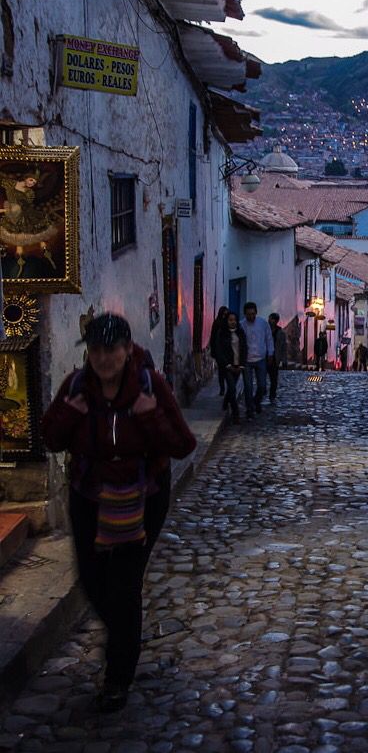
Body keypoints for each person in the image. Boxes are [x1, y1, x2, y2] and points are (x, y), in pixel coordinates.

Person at [40, 313, 196, 712]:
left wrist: (148, 415)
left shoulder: (150, 386)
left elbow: (182, 444)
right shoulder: (76, 387)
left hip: (143, 498)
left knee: (124, 586)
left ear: (128, 350)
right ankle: (127, 636)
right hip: (89, 497)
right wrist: (70, 413)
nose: (104, 359)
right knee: (93, 582)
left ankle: (117, 677)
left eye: (112, 349)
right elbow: (50, 438)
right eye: (96, 350)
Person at [240, 302, 274, 418]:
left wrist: (270, 353)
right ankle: (250, 410)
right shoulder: (241, 325)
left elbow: (269, 339)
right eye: (248, 314)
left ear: (256, 313)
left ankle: (256, 401)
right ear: (245, 314)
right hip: (247, 360)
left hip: (261, 359)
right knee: (248, 386)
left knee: (262, 386)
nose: (251, 316)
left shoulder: (263, 324)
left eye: (253, 314)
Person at [213, 311, 247, 422]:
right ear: (226, 321)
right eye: (230, 320)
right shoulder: (221, 334)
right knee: (232, 388)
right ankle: (236, 414)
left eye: (234, 320)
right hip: (227, 366)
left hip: (238, 365)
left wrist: (242, 365)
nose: (233, 322)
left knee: (231, 389)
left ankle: (225, 402)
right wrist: (227, 364)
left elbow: (244, 349)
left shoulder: (241, 333)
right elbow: (219, 350)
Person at [209, 305, 229, 396]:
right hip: (219, 351)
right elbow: (213, 337)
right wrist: (213, 350)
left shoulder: (229, 323)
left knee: (226, 371)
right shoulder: (217, 323)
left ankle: (227, 388)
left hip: (228, 352)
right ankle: (222, 388)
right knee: (221, 371)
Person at [267, 313, 288, 402]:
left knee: (274, 378)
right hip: (264, 356)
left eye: (271, 319)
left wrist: (284, 360)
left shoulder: (280, 333)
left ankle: (272, 394)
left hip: (275, 358)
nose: (269, 320)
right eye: (269, 318)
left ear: (275, 321)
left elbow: (283, 347)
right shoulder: (265, 330)